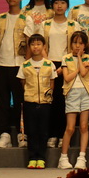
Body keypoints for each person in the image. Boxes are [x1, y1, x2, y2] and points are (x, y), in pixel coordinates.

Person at [41, 0, 82, 149]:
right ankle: (52, 135)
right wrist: (50, 66)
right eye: (56, 2)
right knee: (51, 101)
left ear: (67, 5)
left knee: (65, 103)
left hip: (68, 66)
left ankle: (63, 136)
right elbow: (41, 45)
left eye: (63, 3)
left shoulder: (73, 25)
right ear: (52, 5)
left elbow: (77, 46)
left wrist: (64, 65)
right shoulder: (45, 24)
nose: (59, 6)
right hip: (49, 65)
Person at [0, 0, 27, 149]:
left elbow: (29, 45)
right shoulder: (0, 18)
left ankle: (21, 134)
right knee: (2, 101)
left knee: (20, 102)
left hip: (19, 66)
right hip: (0, 65)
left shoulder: (27, 19)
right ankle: (4, 134)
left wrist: (27, 68)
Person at [17, 34, 57, 169]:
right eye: (33, 44)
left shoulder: (49, 64)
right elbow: (23, 83)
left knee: (43, 131)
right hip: (30, 102)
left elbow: (52, 83)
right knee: (32, 131)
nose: (36, 47)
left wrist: (47, 96)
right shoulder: (25, 65)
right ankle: (32, 158)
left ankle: (41, 158)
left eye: (39, 44)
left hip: (45, 103)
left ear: (44, 46)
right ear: (29, 47)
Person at [58, 31, 89, 170]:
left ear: (85, 45)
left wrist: (79, 57)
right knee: (70, 127)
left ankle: (82, 158)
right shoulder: (66, 58)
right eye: (75, 43)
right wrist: (79, 68)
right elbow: (67, 78)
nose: (77, 46)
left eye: (80, 43)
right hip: (72, 93)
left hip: (86, 93)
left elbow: (85, 73)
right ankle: (63, 158)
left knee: (84, 126)